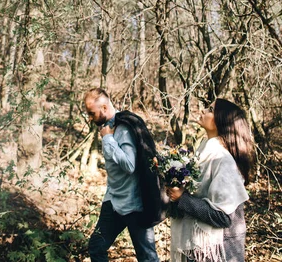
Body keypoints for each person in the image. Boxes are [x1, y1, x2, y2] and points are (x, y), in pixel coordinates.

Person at [168, 98, 255, 262]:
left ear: (220, 121)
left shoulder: (222, 159)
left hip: (214, 251)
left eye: (210, 109)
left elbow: (223, 217)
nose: (203, 111)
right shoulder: (204, 151)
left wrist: (182, 198)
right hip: (195, 247)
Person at [84, 87, 160, 262]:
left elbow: (130, 165)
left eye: (91, 113)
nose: (89, 118)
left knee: (147, 257)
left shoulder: (124, 128)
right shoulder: (108, 128)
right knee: (96, 247)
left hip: (134, 204)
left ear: (104, 108)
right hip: (113, 200)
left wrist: (108, 140)